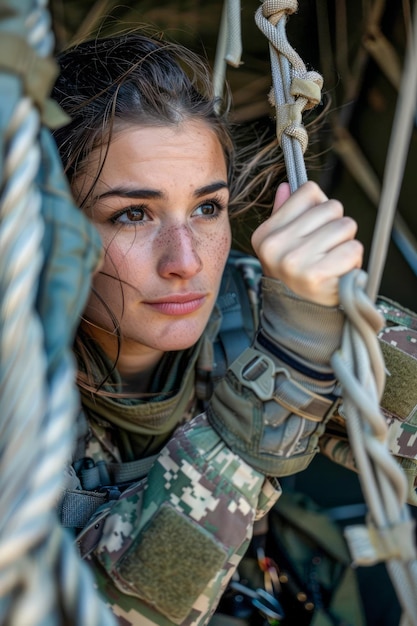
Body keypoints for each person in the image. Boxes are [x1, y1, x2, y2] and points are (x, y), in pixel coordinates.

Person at [51, 30, 363, 626]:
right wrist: (283, 379)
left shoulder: (259, 304)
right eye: (132, 214)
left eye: (206, 208)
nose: (187, 261)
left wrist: (307, 331)